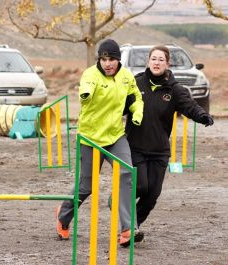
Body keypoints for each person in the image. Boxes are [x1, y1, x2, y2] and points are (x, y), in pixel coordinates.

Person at [56, 39, 145, 247]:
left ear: (118, 60)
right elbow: (86, 88)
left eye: (111, 59)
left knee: (126, 174)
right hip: (90, 138)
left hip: (115, 136)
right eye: (104, 59)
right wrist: (86, 94)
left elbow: (135, 98)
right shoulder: (90, 74)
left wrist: (137, 111)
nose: (107, 63)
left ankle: (127, 229)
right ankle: (63, 217)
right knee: (86, 186)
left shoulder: (126, 76)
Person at [124, 45, 214, 231]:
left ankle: (133, 227)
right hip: (135, 147)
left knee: (153, 194)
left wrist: (203, 116)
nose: (157, 63)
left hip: (159, 150)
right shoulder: (136, 83)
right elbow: (119, 105)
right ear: (148, 61)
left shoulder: (175, 89)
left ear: (167, 63)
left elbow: (190, 106)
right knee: (141, 186)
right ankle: (123, 213)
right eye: (154, 59)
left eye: (161, 60)